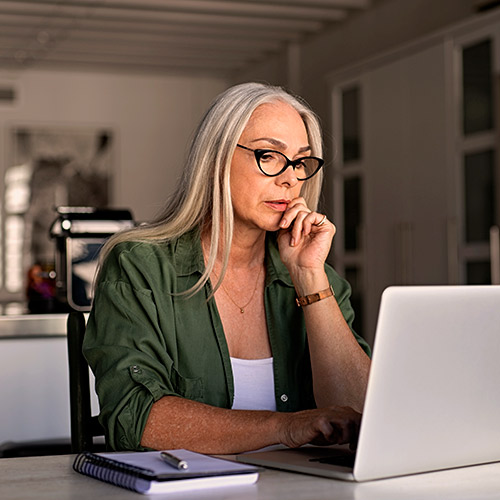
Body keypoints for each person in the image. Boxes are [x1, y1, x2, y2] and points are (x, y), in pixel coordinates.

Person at [83, 82, 371, 454]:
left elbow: (363, 416)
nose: (291, 178)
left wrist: (309, 278)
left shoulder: (317, 279)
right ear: (216, 158)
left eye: (301, 162)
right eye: (269, 155)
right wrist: (285, 427)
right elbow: (135, 418)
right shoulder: (140, 266)